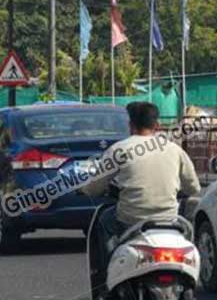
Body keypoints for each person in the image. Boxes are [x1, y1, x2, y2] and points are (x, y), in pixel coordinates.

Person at [83, 102, 200, 300]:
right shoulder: (174, 149)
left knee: (104, 220)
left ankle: (105, 279)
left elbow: (95, 187)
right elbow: (193, 188)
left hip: (131, 220)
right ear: (157, 125)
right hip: (170, 220)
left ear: (131, 125)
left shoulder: (119, 150)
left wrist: (83, 189)